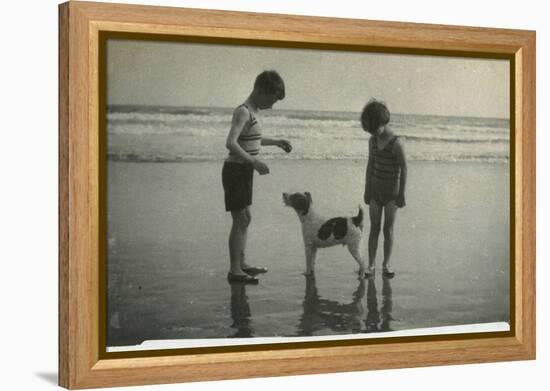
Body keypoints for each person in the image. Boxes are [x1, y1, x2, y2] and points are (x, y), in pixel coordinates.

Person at [222, 70, 292, 284]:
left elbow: (254, 139)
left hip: (244, 172)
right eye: (271, 100)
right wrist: (254, 162)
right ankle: (235, 270)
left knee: (245, 219)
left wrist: (277, 142)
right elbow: (231, 143)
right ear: (261, 91)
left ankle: (242, 264)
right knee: (240, 219)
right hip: (235, 171)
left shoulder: (254, 112)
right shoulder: (243, 111)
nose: (272, 106)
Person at [362, 99, 407, 278]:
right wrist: (366, 190)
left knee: (388, 229)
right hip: (375, 191)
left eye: (374, 129)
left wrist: (402, 194)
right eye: (369, 131)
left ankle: (386, 264)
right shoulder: (372, 141)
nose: (372, 133)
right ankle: (371, 265)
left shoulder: (396, 143)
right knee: (374, 228)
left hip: (391, 194)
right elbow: (370, 165)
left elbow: (404, 168)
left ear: (383, 122)